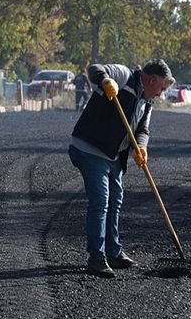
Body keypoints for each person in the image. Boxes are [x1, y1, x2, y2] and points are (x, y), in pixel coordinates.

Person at [68, 60, 173, 278]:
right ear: (152, 80)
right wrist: (105, 80)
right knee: (101, 201)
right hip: (90, 148)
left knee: (116, 199)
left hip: (113, 155)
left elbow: (143, 129)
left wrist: (141, 147)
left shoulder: (147, 101)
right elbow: (95, 69)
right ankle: (96, 258)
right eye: (161, 88)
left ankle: (113, 251)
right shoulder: (124, 76)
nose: (161, 94)